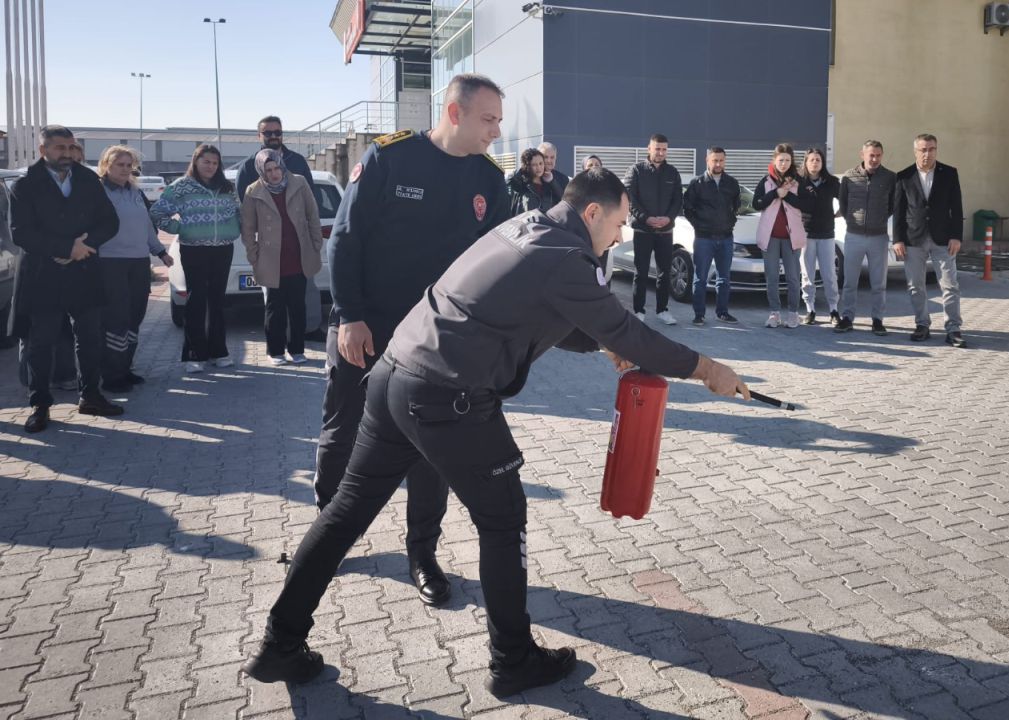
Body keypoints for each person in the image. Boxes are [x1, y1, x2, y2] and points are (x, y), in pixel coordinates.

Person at [242, 168, 750, 698]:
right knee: (504, 520)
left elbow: (551, 314)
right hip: (447, 395)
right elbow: (625, 329)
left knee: (345, 511)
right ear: (592, 213)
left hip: (396, 374)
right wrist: (706, 369)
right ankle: (513, 659)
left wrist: (602, 343)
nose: (623, 236)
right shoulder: (565, 257)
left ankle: (279, 643)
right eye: (620, 223)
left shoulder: (527, 227)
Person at [315, 73, 511, 609]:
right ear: (454, 113)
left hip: (435, 344)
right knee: (342, 435)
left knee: (431, 453)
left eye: (498, 119)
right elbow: (346, 242)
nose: (497, 131)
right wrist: (350, 316)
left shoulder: (490, 181)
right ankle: (325, 540)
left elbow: (501, 261)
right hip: (365, 330)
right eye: (488, 119)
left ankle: (422, 554)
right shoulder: (389, 158)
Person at [9, 125, 123, 433]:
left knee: (89, 339)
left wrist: (84, 247)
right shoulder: (25, 185)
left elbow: (109, 221)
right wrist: (65, 249)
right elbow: (21, 233)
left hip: (83, 270)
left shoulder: (88, 180)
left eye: (71, 147)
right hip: (43, 275)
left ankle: (91, 396)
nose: (68, 153)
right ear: (43, 149)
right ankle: (40, 405)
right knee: (40, 344)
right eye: (60, 147)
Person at [151, 145, 242, 371]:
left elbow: (240, 212)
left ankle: (219, 352)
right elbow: (157, 212)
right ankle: (193, 355)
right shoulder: (181, 187)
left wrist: (234, 230)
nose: (210, 166)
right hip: (194, 250)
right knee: (196, 300)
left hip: (222, 249)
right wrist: (182, 228)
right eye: (206, 161)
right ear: (196, 161)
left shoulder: (227, 187)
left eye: (214, 162)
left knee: (217, 302)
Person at [97, 145, 173, 392]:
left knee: (134, 317)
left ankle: (125, 368)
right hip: (110, 263)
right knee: (116, 319)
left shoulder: (135, 192)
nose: (125, 169)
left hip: (138, 262)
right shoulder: (97, 192)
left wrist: (160, 252)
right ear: (106, 165)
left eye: (129, 165)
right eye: (120, 164)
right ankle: (111, 375)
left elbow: (147, 227)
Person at [241, 149, 323, 366]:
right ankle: (275, 351)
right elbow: (247, 228)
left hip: (298, 255)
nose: (274, 173)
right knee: (274, 309)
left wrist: (316, 244)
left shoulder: (299, 182)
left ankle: (297, 349)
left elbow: (312, 214)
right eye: (268, 170)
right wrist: (254, 256)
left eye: (277, 167)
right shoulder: (253, 191)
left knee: (298, 307)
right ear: (261, 171)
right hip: (271, 259)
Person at [893, 133, 966, 347]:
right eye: (923, 149)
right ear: (915, 151)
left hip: (943, 239)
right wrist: (898, 239)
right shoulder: (903, 176)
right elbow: (899, 212)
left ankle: (953, 329)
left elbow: (957, 207)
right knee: (916, 286)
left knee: (950, 285)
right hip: (913, 239)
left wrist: (956, 236)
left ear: (936, 150)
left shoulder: (949, 174)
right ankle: (922, 325)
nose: (927, 153)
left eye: (931, 149)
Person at [836, 140, 895, 336]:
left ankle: (878, 320)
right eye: (871, 155)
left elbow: (893, 205)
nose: (874, 159)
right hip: (853, 236)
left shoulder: (889, 178)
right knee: (849, 282)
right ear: (862, 154)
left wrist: (878, 220)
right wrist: (854, 222)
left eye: (878, 155)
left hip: (879, 237)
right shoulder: (849, 177)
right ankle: (847, 318)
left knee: (879, 283)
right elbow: (843, 204)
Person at [623, 133, 682, 326]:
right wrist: (646, 218)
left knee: (664, 272)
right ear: (649, 148)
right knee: (641, 272)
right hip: (643, 231)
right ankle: (639, 311)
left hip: (665, 231)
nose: (661, 152)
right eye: (657, 148)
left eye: (664, 149)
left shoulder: (673, 172)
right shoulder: (636, 170)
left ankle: (662, 310)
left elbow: (677, 201)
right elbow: (631, 200)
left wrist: (668, 218)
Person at [682, 147, 740, 326]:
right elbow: (687, 208)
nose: (718, 164)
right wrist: (698, 226)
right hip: (704, 238)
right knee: (700, 278)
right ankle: (699, 314)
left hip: (726, 238)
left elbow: (736, 205)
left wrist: (730, 222)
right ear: (707, 160)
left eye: (721, 160)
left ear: (725, 161)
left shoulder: (731, 183)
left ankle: (722, 312)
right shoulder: (697, 183)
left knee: (724, 278)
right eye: (715, 160)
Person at [752, 143, 806, 328]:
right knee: (772, 276)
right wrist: (776, 193)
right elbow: (756, 204)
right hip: (771, 237)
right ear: (774, 160)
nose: (783, 163)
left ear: (792, 162)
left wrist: (787, 195)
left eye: (787, 160)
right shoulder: (766, 181)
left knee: (793, 276)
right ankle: (774, 313)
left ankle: (793, 313)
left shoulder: (799, 181)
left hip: (792, 237)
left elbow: (806, 204)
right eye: (781, 159)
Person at [796, 147, 840, 325]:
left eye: (818, 160)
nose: (815, 163)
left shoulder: (832, 182)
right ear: (806, 162)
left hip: (827, 234)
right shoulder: (798, 182)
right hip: (806, 234)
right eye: (811, 160)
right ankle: (810, 309)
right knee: (807, 274)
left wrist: (839, 213)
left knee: (829, 274)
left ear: (822, 163)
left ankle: (834, 310)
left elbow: (846, 199)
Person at [235, 115, 315, 201]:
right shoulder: (248, 165)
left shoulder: (298, 161)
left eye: (277, 132)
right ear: (259, 136)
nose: (273, 136)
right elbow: (244, 199)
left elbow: (310, 194)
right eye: (268, 133)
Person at [507, 148, 559, 216]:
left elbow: (562, 200)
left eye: (541, 163)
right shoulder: (521, 184)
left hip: (546, 225)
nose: (539, 167)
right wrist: (521, 171)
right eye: (534, 165)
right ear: (528, 166)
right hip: (525, 225)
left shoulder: (549, 183)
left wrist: (552, 182)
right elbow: (509, 182)